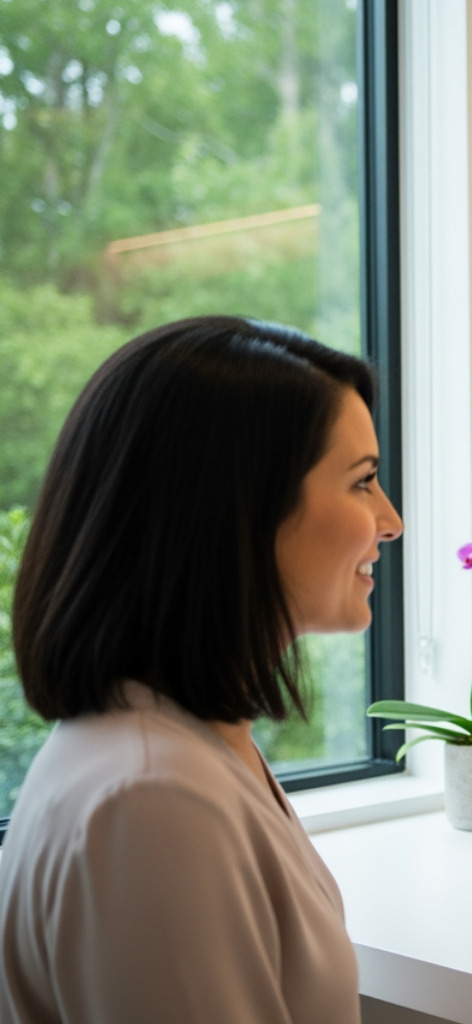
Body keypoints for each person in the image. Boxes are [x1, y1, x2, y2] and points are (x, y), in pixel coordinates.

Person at [0, 317, 403, 1023]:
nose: (391, 520)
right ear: (237, 510)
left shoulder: (192, 743)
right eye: (363, 483)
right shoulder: (153, 801)